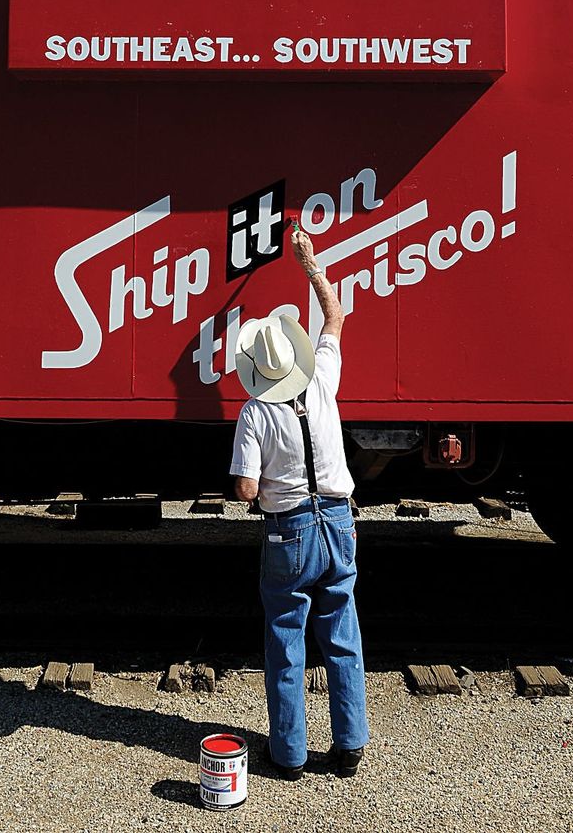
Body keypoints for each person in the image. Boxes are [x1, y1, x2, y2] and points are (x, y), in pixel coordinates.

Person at [229, 226, 369, 781]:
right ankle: (350, 747)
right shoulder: (324, 382)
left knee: (287, 641)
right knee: (343, 634)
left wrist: (262, 489)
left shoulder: (254, 413)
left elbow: (244, 488)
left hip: (288, 532)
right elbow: (334, 316)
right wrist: (309, 263)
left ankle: (288, 755)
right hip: (338, 522)